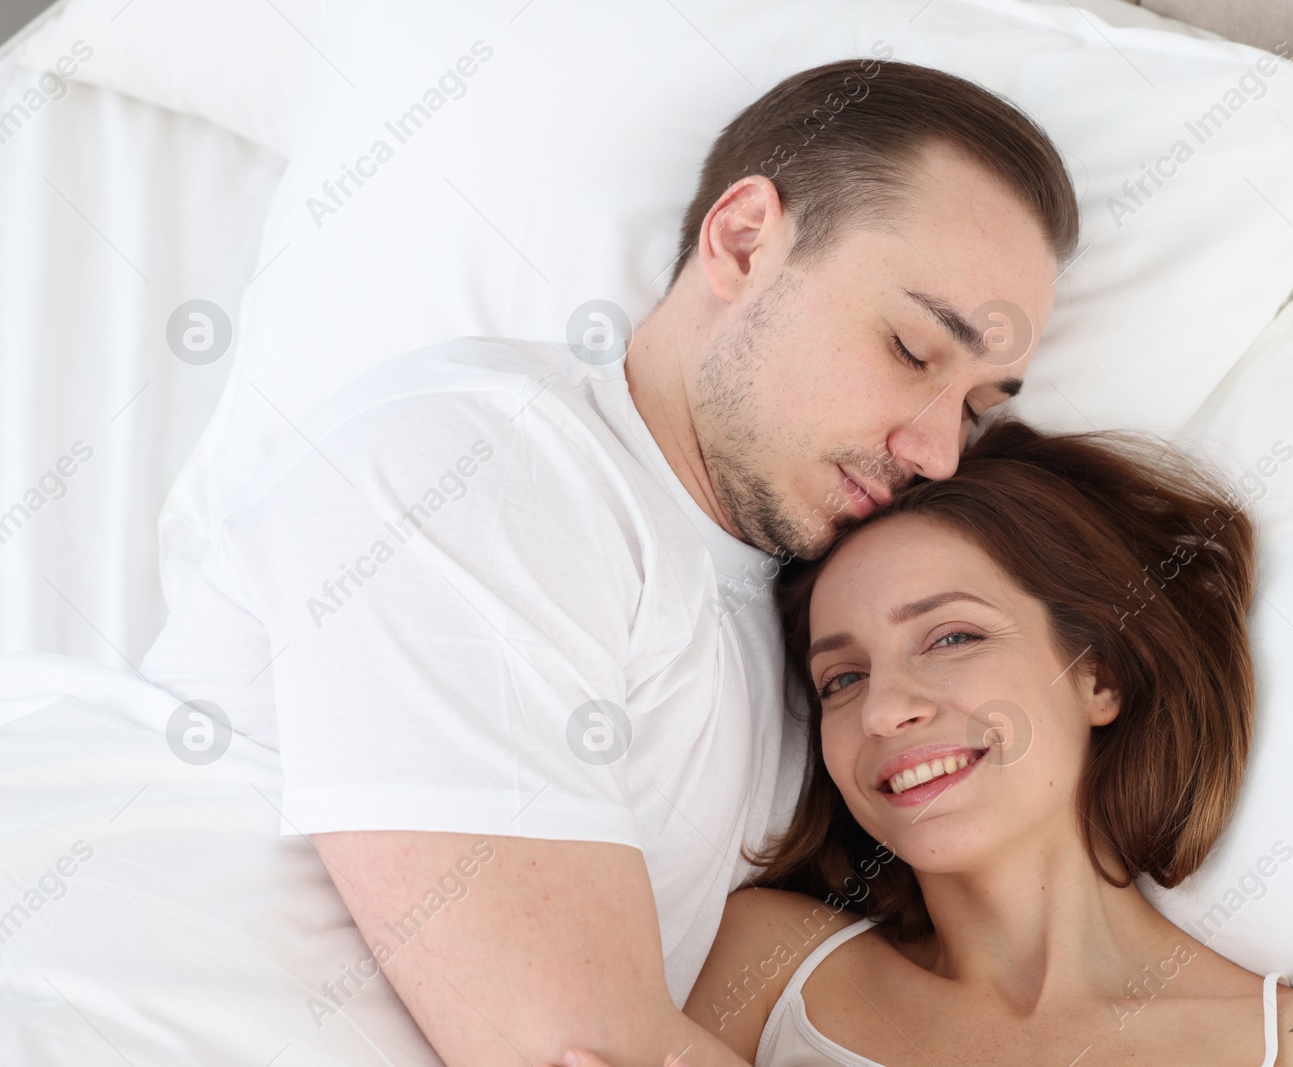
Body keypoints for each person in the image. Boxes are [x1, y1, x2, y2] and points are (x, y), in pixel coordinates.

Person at [138, 58, 1072, 1065]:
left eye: (979, 407)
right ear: (744, 240)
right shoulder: (475, 461)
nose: (937, 451)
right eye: (910, 348)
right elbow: (573, 1049)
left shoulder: (817, 641)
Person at [564, 417, 1293, 1067]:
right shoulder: (772, 963)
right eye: (842, 679)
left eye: (951, 638)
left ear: (1099, 678)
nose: (884, 710)